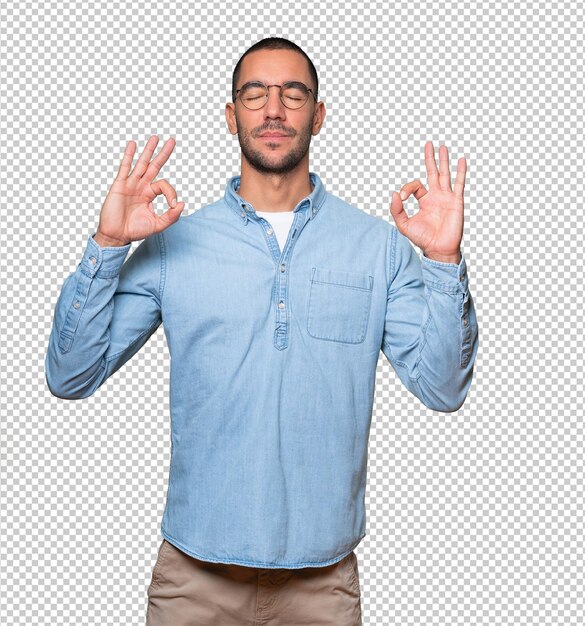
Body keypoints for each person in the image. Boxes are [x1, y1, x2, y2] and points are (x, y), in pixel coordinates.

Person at [45, 36, 479, 626]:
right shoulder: (172, 243)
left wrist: (444, 262)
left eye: (293, 94)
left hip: (322, 586)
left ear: (318, 115)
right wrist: (107, 247)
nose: (273, 110)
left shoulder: (378, 246)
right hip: (193, 582)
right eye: (255, 94)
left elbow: (443, 389)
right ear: (231, 115)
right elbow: (70, 376)